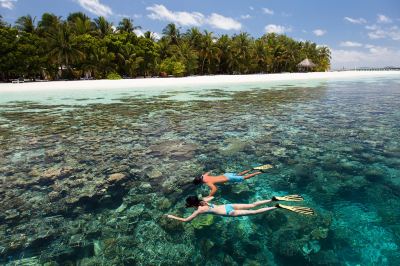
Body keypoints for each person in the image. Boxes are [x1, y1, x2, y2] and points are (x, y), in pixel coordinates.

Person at [166, 194, 314, 222]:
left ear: (193, 205)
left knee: (255, 212)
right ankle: (272, 199)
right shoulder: (203, 201)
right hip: (228, 204)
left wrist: (173, 217)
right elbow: (212, 197)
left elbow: (186, 220)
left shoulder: (199, 210)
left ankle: (276, 206)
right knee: (254, 204)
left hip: (230, 212)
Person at [193, 165, 273, 199]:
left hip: (229, 179)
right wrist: (211, 171)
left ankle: (260, 172)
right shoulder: (203, 176)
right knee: (239, 174)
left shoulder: (208, 183)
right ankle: (251, 169)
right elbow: (208, 173)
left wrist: (209, 196)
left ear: (200, 183)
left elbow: (214, 189)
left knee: (244, 178)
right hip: (226, 174)